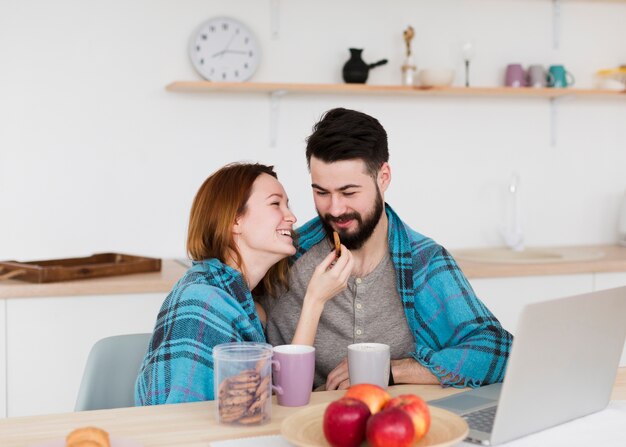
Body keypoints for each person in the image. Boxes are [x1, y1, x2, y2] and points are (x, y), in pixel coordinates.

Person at [265, 108, 513, 390]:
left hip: (402, 423)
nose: (334, 209)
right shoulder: (286, 257)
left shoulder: (425, 262)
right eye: (321, 192)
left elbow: (499, 351)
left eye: (349, 192)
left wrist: (390, 370)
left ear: (383, 177)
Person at [135, 163, 353, 405]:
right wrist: (315, 299)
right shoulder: (202, 303)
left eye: (287, 205)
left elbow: (273, 400)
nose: (291, 217)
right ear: (235, 221)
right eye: (275, 204)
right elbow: (180, 423)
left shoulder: (247, 306)